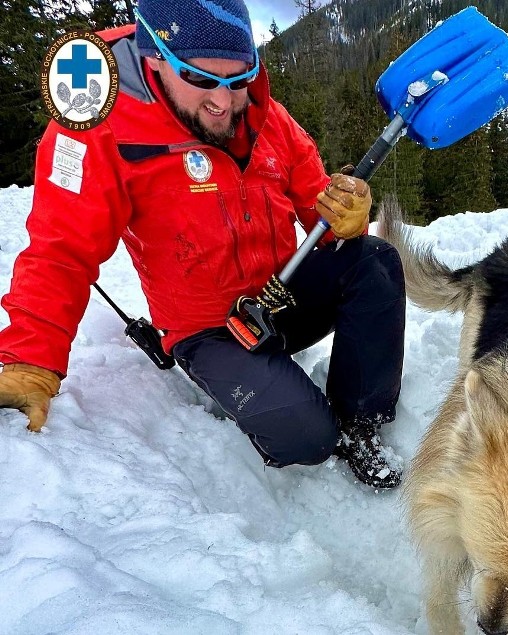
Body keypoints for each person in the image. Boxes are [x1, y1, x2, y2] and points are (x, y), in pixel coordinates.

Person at [0, 0, 406, 489]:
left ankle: (362, 423)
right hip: (208, 328)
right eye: (199, 79)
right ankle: (271, 395)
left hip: (278, 296)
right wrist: (31, 360)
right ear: (155, 60)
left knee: (375, 260)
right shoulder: (98, 125)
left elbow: (316, 203)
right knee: (307, 440)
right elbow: (61, 250)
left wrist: (346, 217)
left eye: (237, 80)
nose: (223, 100)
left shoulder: (263, 114)